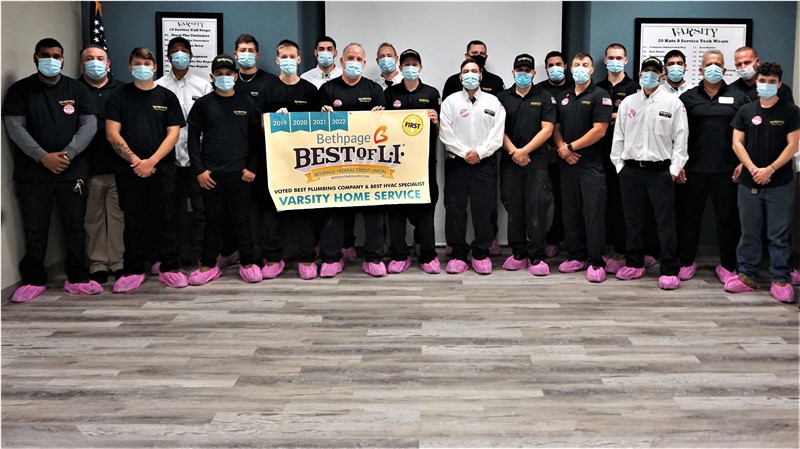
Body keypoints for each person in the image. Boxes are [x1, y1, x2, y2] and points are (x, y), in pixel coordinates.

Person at [2, 37, 101, 302]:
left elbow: (89, 125)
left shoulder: (77, 89)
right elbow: (15, 127)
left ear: (63, 59)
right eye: (45, 55)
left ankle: (77, 277)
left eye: (56, 56)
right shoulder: (20, 90)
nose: (51, 60)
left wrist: (68, 154)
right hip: (33, 172)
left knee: (75, 226)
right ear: (35, 57)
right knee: (35, 227)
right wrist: (42, 156)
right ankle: (34, 279)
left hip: (72, 170)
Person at [105, 47, 187, 292]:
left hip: (162, 169)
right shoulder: (118, 96)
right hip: (129, 169)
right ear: (130, 67)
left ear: (155, 67)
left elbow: (173, 134)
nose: (142, 67)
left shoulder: (166, 97)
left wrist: (152, 161)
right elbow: (112, 134)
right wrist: (136, 161)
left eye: (147, 63)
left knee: (166, 218)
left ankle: (169, 267)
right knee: (133, 220)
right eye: (137, 63)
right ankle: (133, 269)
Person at [610, 57, 688, 290]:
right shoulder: (628, 102)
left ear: (662, 75)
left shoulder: (673, 103)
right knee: (632, 220)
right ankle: (634, 263)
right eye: (646, 70)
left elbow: (681, 138)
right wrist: (619, 165)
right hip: (631, 171)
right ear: (640, 74)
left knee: (665, 222)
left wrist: (673, 169)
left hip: (660, 172)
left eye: (655, 71)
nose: (650, 75)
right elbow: (618, 137)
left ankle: (670, 269)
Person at [725, 62, 800, 303]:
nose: (766, 85)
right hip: (749, 183)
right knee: (749, 233)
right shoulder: (745, 111)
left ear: (779, 84)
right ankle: (747, 275)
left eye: (771, 82)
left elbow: (793, 145)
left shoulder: (791, 111)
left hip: (780, 183)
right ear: (757, 82)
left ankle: (780, 278)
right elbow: (737, 143)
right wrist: (752, 168)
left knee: (778, 234)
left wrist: (770, 169)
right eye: (763, 81)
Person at [186, 54, 263, 286]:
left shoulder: (247, 103)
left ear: (235, 76)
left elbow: (256, 139)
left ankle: (248, 262)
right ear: (212, 76)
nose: (224, 77)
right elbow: (192, 139)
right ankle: (208, 264)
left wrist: (252, 168)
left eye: (228, 74)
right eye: (219, 74)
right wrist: (199, 171)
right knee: (212, 221)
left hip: (241, 174)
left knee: (242, 220)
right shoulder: (203, 104)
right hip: (211, 176)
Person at [318, 43, 387, 278]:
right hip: (336, 165)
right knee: (334, 212)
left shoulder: (375, 89)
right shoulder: (327, 90)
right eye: (350, 58)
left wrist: (381, 117)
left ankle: (374, 258)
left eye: (358, 59)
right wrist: (322, 115)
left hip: (370, 164)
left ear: (364, 63)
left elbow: (388, 128)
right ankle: (331, 258)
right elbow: (315, 130)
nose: (354, 62)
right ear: (341, 61)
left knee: (374, 212)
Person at [677, 49, 746, 283]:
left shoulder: (738, 97)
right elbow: (677, 134)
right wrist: (679, 164)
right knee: (689, 219)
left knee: (728, 220)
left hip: (728, 170)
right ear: (700, 69)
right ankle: (686, 262)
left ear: (724, 69)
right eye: (709, 64)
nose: (713, 68)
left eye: (718, 64)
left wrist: (742, 163)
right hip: (693, 169)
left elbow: (747, 133)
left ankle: (727, 265)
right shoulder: (688, 98)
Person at [258, 39, 322, 280]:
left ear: (299, 59)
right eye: (283, 57)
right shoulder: (267, 89)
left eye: (291, 56)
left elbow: (319, 127)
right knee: (272, 210)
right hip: (275, 162)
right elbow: (260, 123)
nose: (288, 61)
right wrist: (275, 120)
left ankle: (307, 258)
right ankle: (273, 258)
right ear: (277, 60)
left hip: (305, 163)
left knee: (304, 209)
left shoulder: (310, 90)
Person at [439, 58, 506, 274]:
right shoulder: (450, 102)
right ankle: (458, 254)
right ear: (460, 77)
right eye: (466, 71)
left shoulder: (493, 102)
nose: (470, 74)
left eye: (474, 71)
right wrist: (464, 153)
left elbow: (497, 135)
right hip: (457, 164)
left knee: (483, 209)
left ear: (481, 75)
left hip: (484, 164)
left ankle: (480, 253)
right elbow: (445, 133)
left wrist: (480, 153)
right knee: (455, 209)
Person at [552, 52, 613, 283]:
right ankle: (576, 256)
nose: (580, 68)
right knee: (570, 211)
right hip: (567, 163)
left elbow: (599, 130)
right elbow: (555, 127)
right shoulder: (564, 96)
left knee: (593, 212)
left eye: (584, 65)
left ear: (592, 70)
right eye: (576, 65)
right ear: (570, 69)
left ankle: (595, 260)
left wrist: (570, 147)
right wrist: (562, 149)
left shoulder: (600, 95)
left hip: (591, 164)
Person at [496, 54, 556, 276]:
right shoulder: (501, 98)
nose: (523, 74)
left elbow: (547, 129)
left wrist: (525, 151)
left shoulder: (545, 96)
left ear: (534, 73)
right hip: (510, 160)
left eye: (527, 70)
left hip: (536, 162)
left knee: (536, 207)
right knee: (514, 208)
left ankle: (536, 255)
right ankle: (518, 253)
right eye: (519, 70)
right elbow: (497, 129)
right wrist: (514, 152)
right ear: (513, 73)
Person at [156, 36, 213, 266]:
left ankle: (200, 255)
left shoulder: (204, 86)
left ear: (190, 55)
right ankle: (171, 257)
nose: (179, 54)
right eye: (175, 50)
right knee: (169, 211)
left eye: (184, 51)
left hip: (197, 160)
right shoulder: (158, 86)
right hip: (168, 160)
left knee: (201, 210)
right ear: (168, 56)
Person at [384, 49, 442, 274]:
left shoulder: (431, 93)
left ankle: (428, 255)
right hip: (395, 164)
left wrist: (435, 122)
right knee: (396, 211)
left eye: (414, 64)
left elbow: (441, 131)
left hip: (424, 164)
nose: (410, 67)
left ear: (421, 67)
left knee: (426, 210)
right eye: (406, 64)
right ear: (400, 67)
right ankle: (399, 255)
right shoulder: (390, 94)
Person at [79, 44, 124, 285]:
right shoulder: (74, 90)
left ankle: (118, 262)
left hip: (120, 165)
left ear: (108, 64)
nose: (95, 62)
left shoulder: (123, 91)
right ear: (81, 64)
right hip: (87, 166)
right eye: (89, 58)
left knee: (118, 218)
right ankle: (98, 263)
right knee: (92, 218)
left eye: (100, 58)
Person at [596, 43, 641, 274]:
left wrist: (608, 116)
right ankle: (604, 248)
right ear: (605, 60)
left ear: (626, 60)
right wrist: (616, 116)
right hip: (600, 153)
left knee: (623, 204)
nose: (614, 61)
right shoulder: (597, 88)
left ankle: (622, 250)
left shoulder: (635, 88)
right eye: (611, 58)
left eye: (619, 58)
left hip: (626, 156)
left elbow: (636, 117)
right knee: (602, 203)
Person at [536, 50, 575, 259]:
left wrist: (563, 149)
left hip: (569, 152)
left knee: (564, 199)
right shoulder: (539, 90)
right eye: (550, 65)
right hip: (543, 152)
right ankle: (540, 239)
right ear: (545, 68)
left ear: (565, 66)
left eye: (558, 64)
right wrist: (548, 148)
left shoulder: (574, 88)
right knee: (540, 199)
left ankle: (556, 237)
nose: (555, 68)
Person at [730, 47, 794, 104]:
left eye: (747, 62)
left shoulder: (778, 89)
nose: (743, 67)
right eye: (739, 64)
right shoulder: (731, 89)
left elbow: (790, 111)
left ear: (757, 61)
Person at [233, 33, 278, 101]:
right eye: (242, 50)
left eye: (251, 51)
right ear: (235, 55)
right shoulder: (229, 80)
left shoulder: (271, 80)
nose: (247, 54)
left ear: (257, 55)